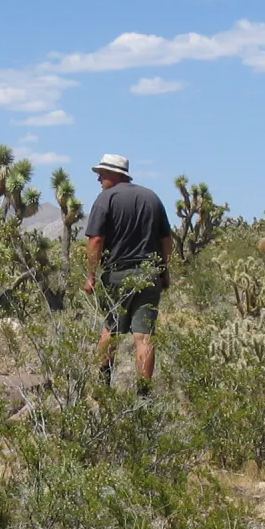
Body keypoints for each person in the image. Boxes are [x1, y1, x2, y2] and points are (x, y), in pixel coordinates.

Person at [82, 153, 174, 391]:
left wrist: (91, 276)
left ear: (115, 174)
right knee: (144, 337)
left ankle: (104, 387)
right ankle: (143, 396)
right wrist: (164, 270)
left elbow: (96, 241)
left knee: (110, 329)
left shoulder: (105, 199)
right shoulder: (151, 198)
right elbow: (166, 240)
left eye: (102, 174)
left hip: (116, 274)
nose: (99, 179)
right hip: (148, 274)